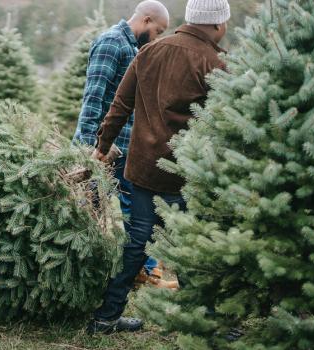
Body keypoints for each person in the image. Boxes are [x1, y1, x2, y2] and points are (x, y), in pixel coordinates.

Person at [88, 0, 230, 335]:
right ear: (217, 24)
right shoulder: (215, 63)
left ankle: (105, 318)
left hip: (141, 170)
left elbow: (119, 105)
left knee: (136, 242)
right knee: (188, 246)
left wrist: (102, 147)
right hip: (185, 173)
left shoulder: (150, 51)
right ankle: (204, 322)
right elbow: (225, 126)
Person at [73, 0, 170, 311]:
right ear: (145, 19)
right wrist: (92, 146)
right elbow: (94, 96)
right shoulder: (111, 44)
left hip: (126, 148)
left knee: (137, 213)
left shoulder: (135, 48)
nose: (156, 37)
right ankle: (88, 283)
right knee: (91, 214)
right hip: (103, 150)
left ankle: (146, 268)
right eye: (157, 30)